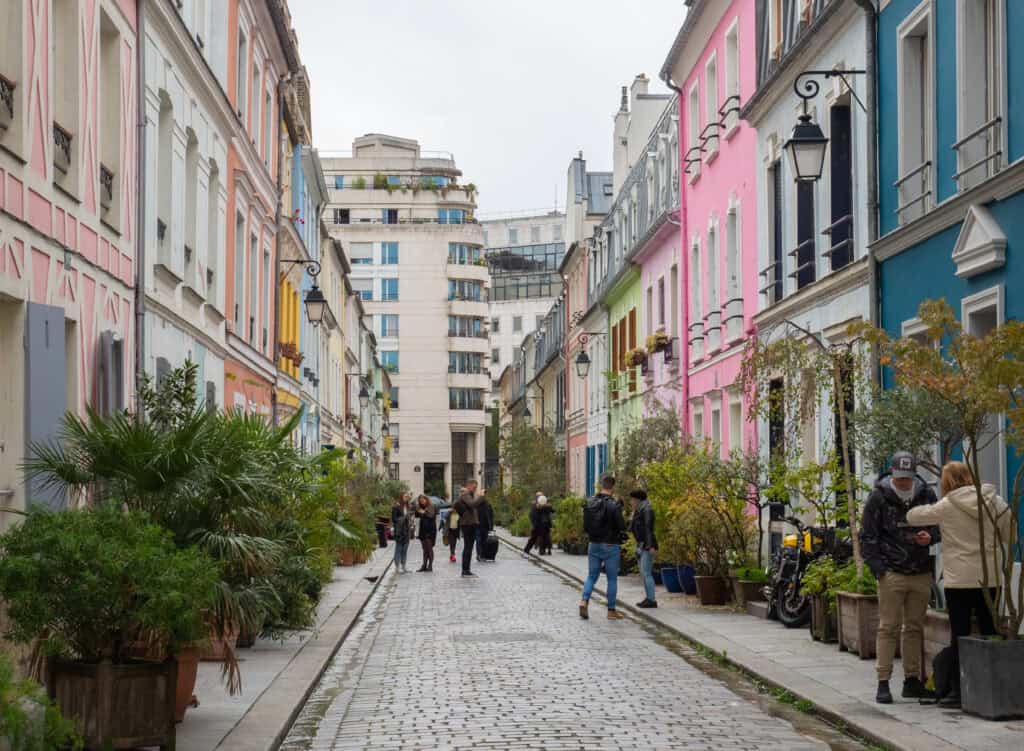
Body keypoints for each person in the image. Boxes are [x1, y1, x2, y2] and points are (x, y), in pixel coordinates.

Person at [906, 461, 1011, 708]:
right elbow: (1010, 532)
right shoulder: (993, 500)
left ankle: (957, 691)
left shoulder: (948, 505)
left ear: (947, 482)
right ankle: (992, 686)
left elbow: (913, 517)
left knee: (960, 634)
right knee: (990, 631)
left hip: (959, 579)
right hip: (990, 577)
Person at [860, 451, 940, 704]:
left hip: (920, 570)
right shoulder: (879, 497)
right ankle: (883, 682)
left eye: (907, 478)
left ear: (914, 475)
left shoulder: (926, 494)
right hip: (892, 572)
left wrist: (931, 537)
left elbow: (938, 525)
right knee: (888, 627)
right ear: (892, 474)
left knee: (915, 627)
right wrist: (879, 568)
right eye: (900, 478)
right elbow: (868, 535)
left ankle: (912, 680)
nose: (904, 482)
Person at [580, 475, 627, 620]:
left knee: (591, 575)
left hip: (593, 544)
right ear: (613, 487)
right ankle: (611, 611)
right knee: (612, 579)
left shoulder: (590, 502)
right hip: (610, 544)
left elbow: (585, 526)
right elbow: (621, 526)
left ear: (601, 485)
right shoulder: (613, 504)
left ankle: (584, 600)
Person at [629, 489, 658, 608]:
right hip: (641, 544)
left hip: (646, 544)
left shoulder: (646, 509)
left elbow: (648, 528)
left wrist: (650, 546)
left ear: (637, 499)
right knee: (643, 572)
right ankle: (648, 598)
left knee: (646, 572)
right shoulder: (639, 510)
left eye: (632, 499)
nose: (631, 502)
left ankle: (651, 600)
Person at [454, 479, 484, 577]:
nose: (475, 489)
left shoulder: (471, 495)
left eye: (476, 487)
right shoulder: (466, 495)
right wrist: (480, 496)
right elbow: (472, 504)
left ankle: (467, 569)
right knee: (468, 547)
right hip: (467, 524)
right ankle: (465, 570)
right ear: (468, 485)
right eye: (474, 487)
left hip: (471, 523)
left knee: (469, 547)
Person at [391, 493, 415, 574]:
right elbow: (394, 519)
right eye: (405, 496)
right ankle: (397, 567)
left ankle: (404, 566)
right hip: (399, 531)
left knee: (405, 549)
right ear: (401, 497)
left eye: (408, 497)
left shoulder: (409, 507)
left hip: (407, 531)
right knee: (398, 549)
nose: (407, 498)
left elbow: (411, 517)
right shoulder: (396, 507)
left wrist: (411, 520)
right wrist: (404, 517)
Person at [414, 495, 437, 572]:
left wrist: (424, 512)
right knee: (424, 549)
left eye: (423, 499)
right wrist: (417, 509)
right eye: (420, 500)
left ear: (426, 499)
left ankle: (430, 566)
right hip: (422, 530)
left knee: (429, 548)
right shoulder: (420, 507)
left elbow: (431, 516)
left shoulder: (431, 506)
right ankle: (424, 565)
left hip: (430, 530)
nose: (422, 501)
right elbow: (416, 516)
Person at [523, 491, 545, 557]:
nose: (540, 497)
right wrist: (533, 523)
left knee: (543, 537)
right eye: (539, 496)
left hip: (542, 524)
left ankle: (542, 550)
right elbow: (532, 515)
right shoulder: (534, 504)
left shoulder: (543, 504)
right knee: (533, 538)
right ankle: (526, 550)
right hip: (536, 524)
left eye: (541, 496)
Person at [476, 489, 494, 562]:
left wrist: (491, 526)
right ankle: (479, 554)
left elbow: (491, 516)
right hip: (477, 525)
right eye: (483, 494)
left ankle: (483, 555)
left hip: (485, 526)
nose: (484, 495)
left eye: (485, 494)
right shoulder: (476, 504)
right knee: (478, 540)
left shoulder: (488, 504)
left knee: (484, 541)